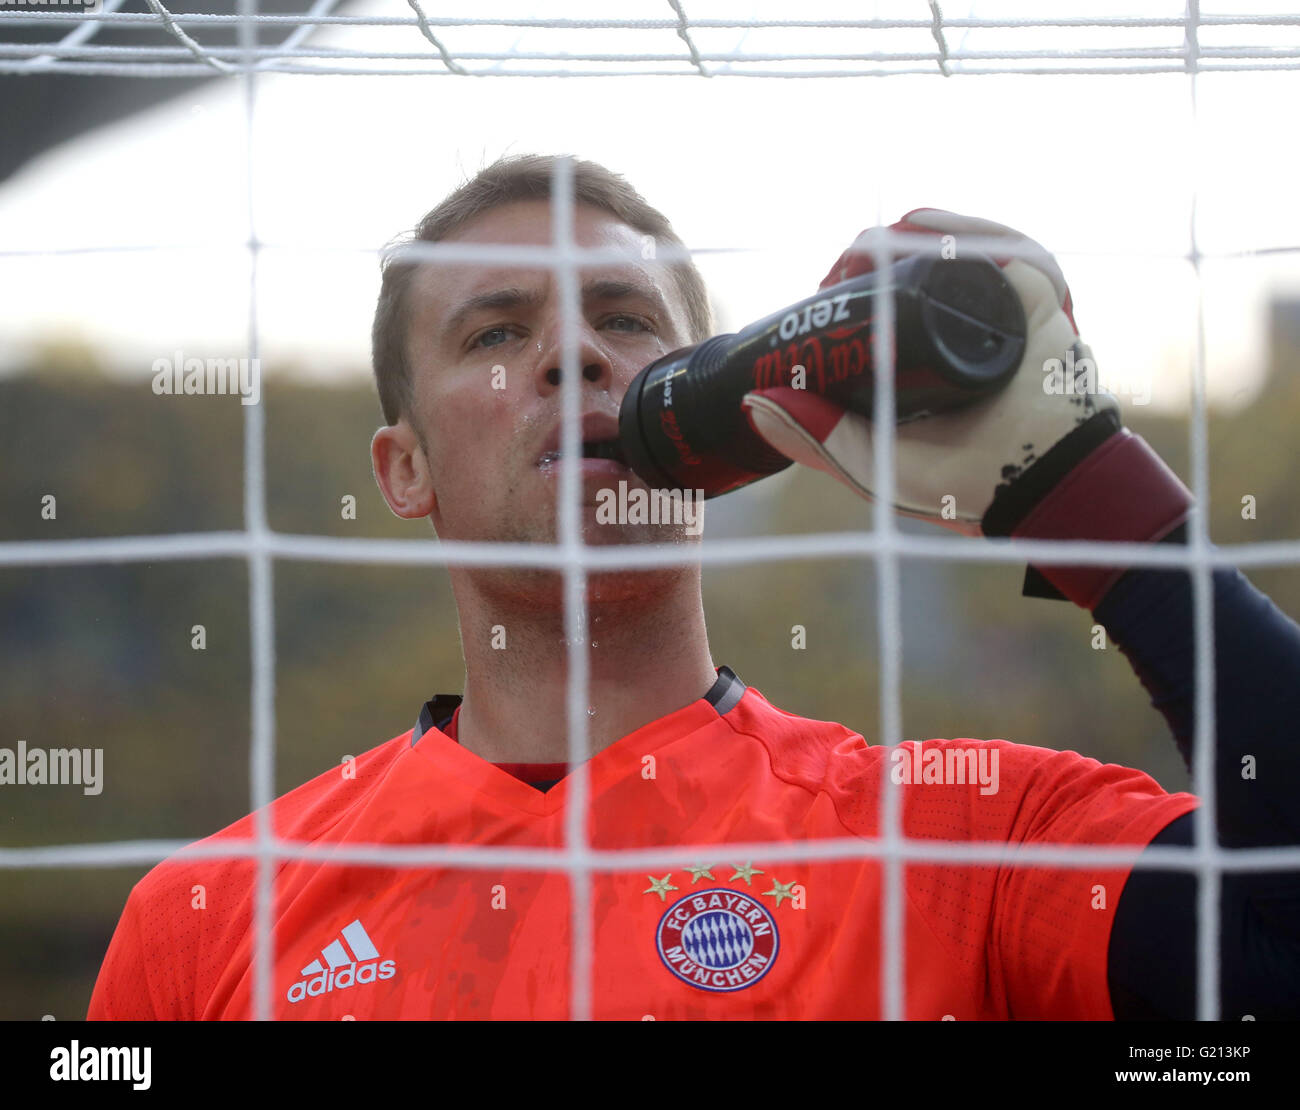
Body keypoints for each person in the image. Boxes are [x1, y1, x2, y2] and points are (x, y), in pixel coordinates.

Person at [88, 153, 1300, 1020]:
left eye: (625, 320)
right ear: (404, 471)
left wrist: (1087, 496)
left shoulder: (956, 836)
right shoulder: (207, 915)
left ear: (717, 418)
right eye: (495, 334)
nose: (574, 354)